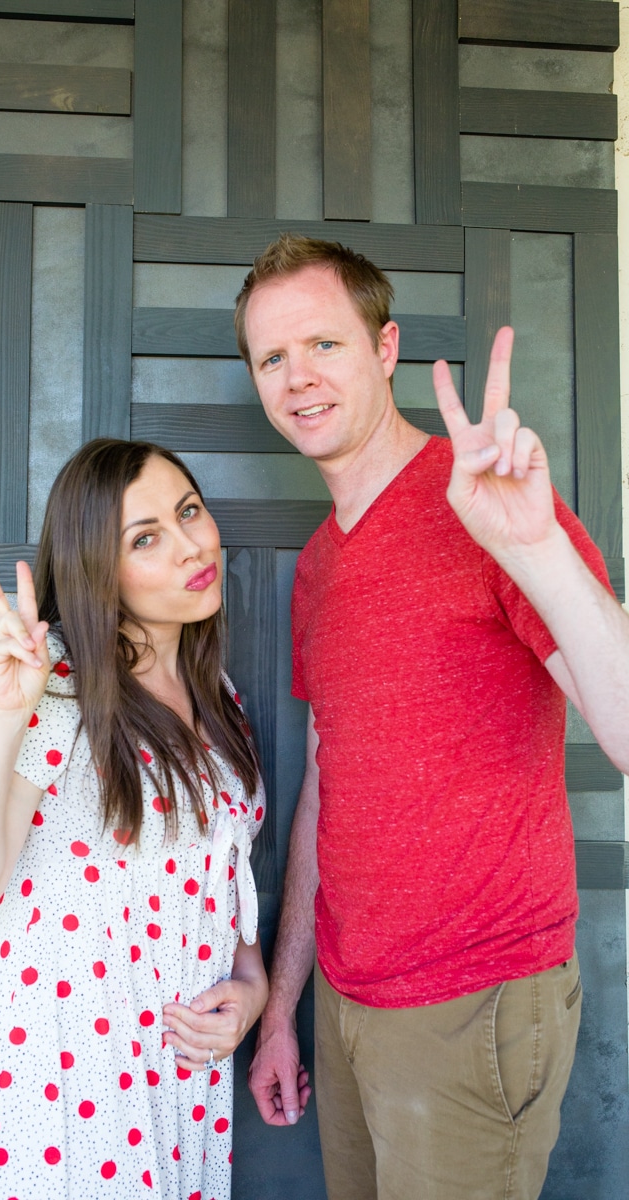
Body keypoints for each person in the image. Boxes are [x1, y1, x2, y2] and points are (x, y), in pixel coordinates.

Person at [235, 234, 629, 1200]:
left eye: (323, 344)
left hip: (474, 1007)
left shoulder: (487, 501)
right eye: (271, 358)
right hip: (347, 1002)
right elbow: (333, 783)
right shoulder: (321, 565)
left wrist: (534, 548)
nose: (298, 379)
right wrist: (286, 1004)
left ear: (386, 348)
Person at [0, 438, 268, 1200]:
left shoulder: (222, 700)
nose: (189, 546)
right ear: (99, 573)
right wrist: (7, 713)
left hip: (174, 1095)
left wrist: (254, 988)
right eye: (146, 539)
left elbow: (223, 896)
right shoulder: (61, 686)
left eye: (188, 512)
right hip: (59, 1096)